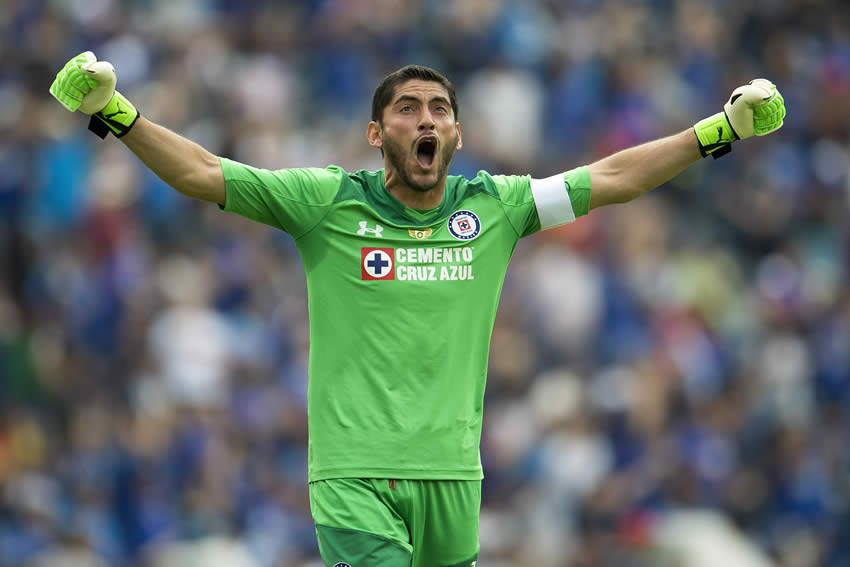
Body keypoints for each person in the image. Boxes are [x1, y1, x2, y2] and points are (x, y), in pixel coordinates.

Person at [49, 51, 786, 567]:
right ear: (378, 134)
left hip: (454, 479)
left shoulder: (496, 208)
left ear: (457, 135)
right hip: (355, 474)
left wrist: (719, 131)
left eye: (440, 110)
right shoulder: (326, 201)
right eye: (408, 109)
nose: (425, 120)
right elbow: (204, 171)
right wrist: (112, 110)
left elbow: (614, 174)